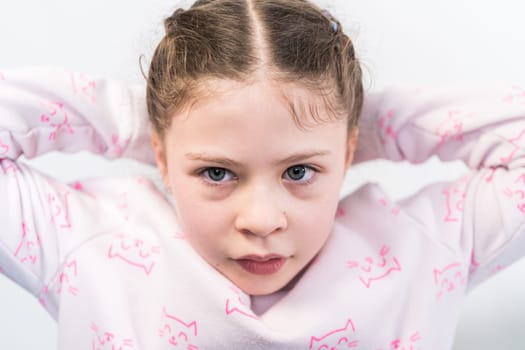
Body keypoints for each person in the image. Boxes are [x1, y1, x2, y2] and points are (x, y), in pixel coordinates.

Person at [1, 0, 525, 348]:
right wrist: (142, 117)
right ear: (159, 155)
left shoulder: (420, 249)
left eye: (299, 170)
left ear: (348, 150)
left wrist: (356, 124)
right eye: (216, 172)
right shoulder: (90, 247)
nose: (261, 220)